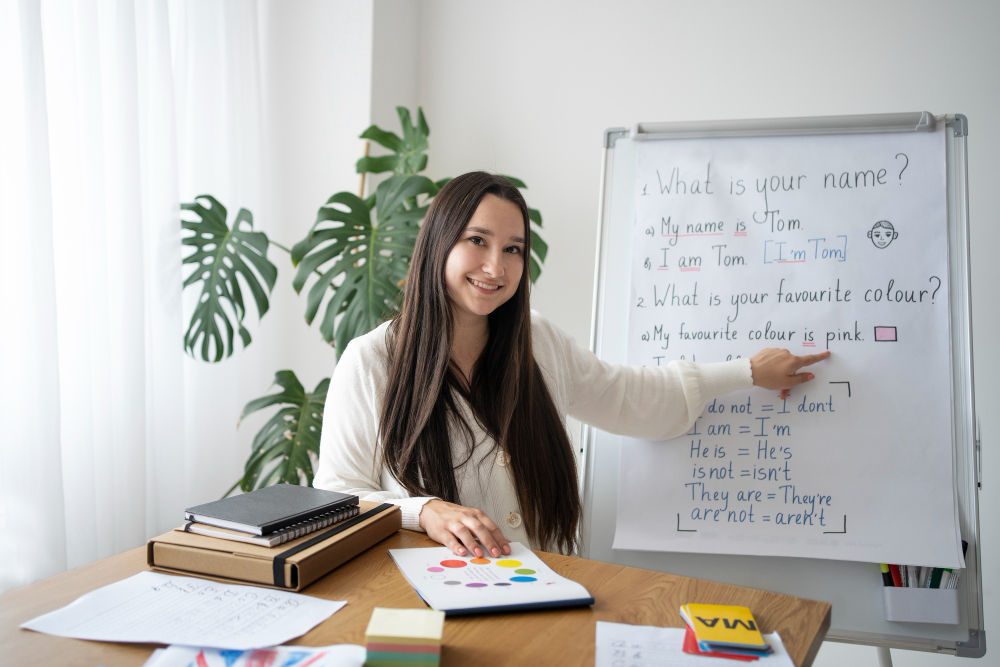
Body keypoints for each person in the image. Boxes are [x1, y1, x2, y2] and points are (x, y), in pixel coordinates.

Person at [313, 172, 829, 559]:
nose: (496, 266)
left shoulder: (539, 342)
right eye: (478, 241)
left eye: (513, 249)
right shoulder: (371, 361)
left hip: (545, 593)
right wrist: (423, 509)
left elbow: (633, 398)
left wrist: (746, 372)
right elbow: (336, 495)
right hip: (431, 604)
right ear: (438, 243)